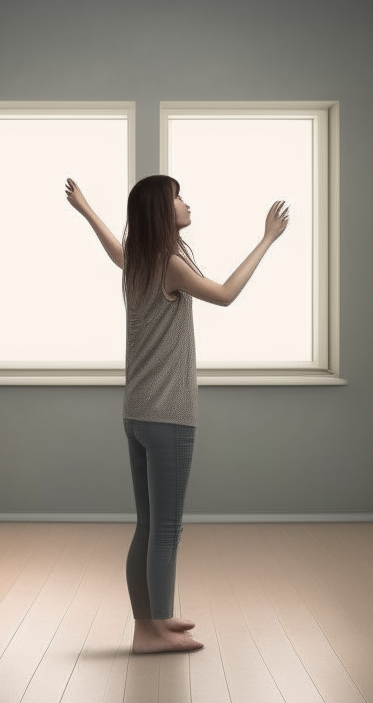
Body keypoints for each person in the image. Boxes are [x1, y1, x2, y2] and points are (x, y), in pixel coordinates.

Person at [66, 174, 289, 654]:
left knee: (148, 525)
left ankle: (150, 624)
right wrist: (267, 239)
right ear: (161, 213)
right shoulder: (168, 265)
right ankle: (155, 629)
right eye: (178, 198)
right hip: (169, 416)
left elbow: (112, 248)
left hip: (138, 415)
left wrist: (87, 210)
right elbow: (226, 294)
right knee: (166, 528)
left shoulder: (140, 263)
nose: (187, 204)